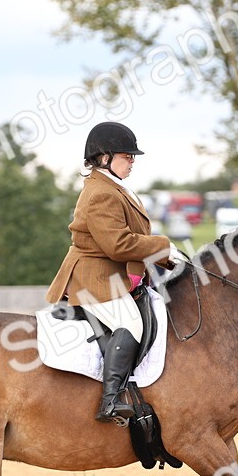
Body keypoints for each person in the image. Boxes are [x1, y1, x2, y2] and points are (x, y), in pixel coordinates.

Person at [45, 122, 179, 425]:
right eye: (127, 156)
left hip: (112, 275)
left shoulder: (113, 187)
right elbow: (118, 245)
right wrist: (163, 247)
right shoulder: (100, 193)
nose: (132, 162)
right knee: (130, 323)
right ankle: (111, 400)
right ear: (104, 157)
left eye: (132, 158)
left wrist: (165, 257)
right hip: (94, 279)